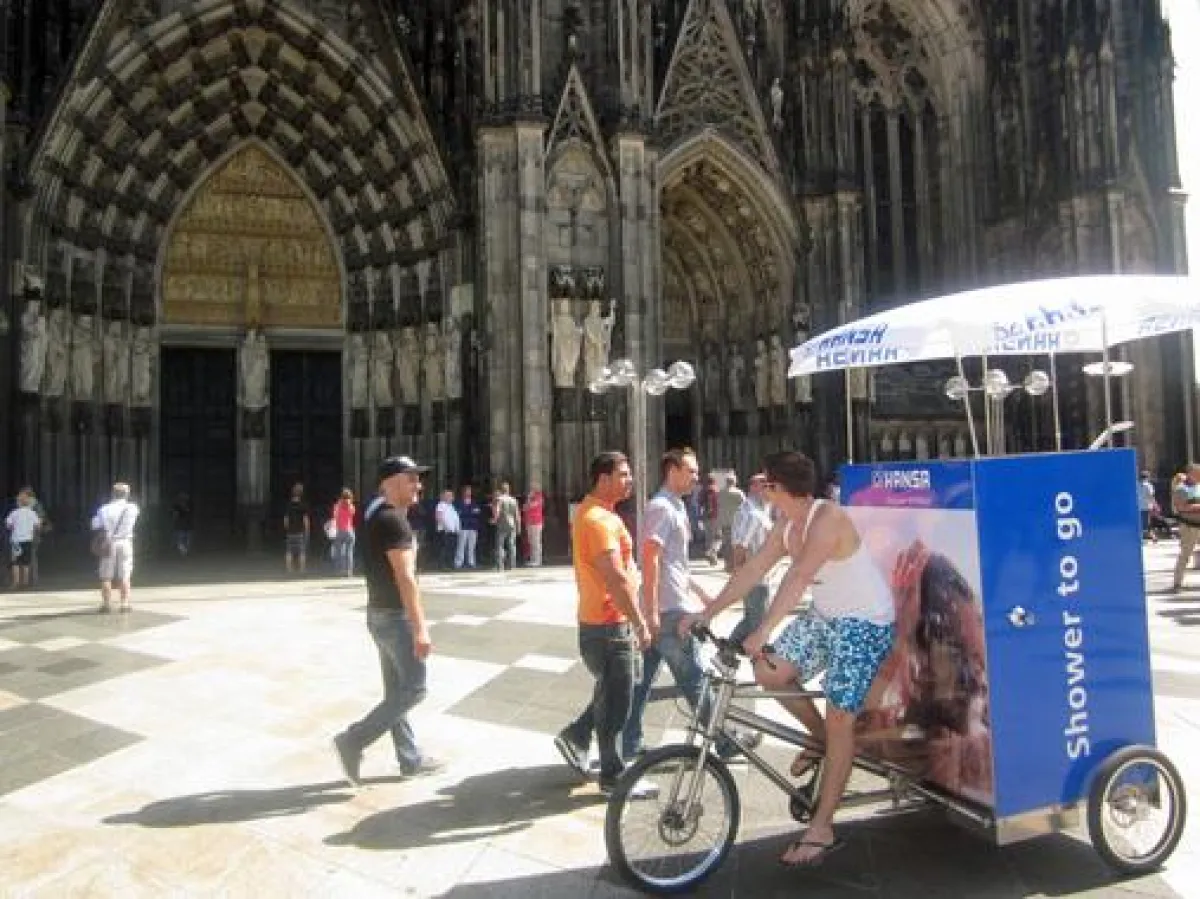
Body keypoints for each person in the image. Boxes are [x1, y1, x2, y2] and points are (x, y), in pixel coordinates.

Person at [688, 451, 895, 867]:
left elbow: (799, 577)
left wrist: (763, 630)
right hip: (826, 617)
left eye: (767, 483)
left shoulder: (827, 518)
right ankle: (820, 740)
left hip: (865, 623)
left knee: (841, 718)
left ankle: (822, 828)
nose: (763, 490)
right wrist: (707, 612)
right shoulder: (787, 524)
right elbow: (753, 571)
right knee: (769, 672)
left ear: (780, 487)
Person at [623, 449, 747, 762]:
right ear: (672, 471)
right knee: (694, 676)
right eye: (691, 471)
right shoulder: (661, 508)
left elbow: (674, 562)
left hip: (670, 603)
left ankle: (625, 742)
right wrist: (651, 611)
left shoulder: (676, 505)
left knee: (641, 681)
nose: (696, 477)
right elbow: (650, 559)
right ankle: (725, 740)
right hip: (668, 610)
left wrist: (699, 591)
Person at [333, 456, 442, 784]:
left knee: (396, 690)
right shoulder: (394, 521)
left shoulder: (376, 515)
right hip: (395, 617)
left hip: (379, 614)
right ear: (391, 483)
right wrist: (420, 627)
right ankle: (353, 740)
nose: (418, 484)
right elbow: (405, 577)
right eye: (412, 478)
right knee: (415, 688)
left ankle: (410, 758)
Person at [554, 451, 654, 796]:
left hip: (605, 623)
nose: (630, 480)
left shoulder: (600, 514)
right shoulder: (597, 520)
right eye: (623, 475)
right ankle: (613, 777)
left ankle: (577, 735)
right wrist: (640, 623)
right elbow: (615, 577)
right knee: (617, 704)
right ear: (603, 479)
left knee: (615, 689)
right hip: (609, 625)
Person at [728, 473, 774, 646]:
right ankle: (758, 657)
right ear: (754, 487)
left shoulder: (758, 510)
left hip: (758, 576)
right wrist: (738, 574)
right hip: (755, 578)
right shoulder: (753, 514)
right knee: (758, 625)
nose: (770, 490)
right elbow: (740, 546)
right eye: (765, 486)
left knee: (751, 620)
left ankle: (726, 653)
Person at [92, 483, 141, 613]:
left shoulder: (104, 509)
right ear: (127, 494)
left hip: (109, 543)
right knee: (125, 575)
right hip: (125, 542)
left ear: (113, 494)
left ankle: (107, 604)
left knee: (106, 576)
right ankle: (124, 604)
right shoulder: (133, 508)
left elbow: (95, 525)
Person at [1172, 464, 1200, 591]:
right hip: (1189, 527)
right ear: (1189, 474)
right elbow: (1181, 507)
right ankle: (1177, 583)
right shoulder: (1181, 489)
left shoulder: (1199, 486)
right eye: (1197, 473)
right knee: (1185, 554)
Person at [5, 490, 40, 589]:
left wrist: (16, 529)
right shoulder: (32, 513)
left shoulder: (14, 513)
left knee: (15, 562)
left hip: (16, 540)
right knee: (26, 562)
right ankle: (25, 582)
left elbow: (8, 525)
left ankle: (16, 582)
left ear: (18, 503)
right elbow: (37, 526)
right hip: (28, 540)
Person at [491, 482, 521, 571]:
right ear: (508, 490)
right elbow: (517, 515)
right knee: (512, 545)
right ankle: (512, 565)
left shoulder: (499, 499)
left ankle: (500, 566)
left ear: (501, 490)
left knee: (500, 545)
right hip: (512, 524)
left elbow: (497, 510)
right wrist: (519, 526)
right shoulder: (513, 500)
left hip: (502, 524)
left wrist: (494, 519)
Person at [283, 483, 311, 574]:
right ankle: (302, 569)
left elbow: (286, 519)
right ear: (301, 493)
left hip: (290, 531)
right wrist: (307, 530)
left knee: (289, 551)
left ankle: (289, 569)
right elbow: (305, 519)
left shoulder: (288, 505)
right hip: (300, 531)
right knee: (302, 551)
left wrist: (287, 528)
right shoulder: (303, 505)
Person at [454, 485, 482, 569]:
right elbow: (458, 513)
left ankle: (471, 562)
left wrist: (466, 512)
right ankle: (458, 563)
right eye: (466, 491)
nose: (468, 493)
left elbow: (478, 512)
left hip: (473, 527)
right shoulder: (458, 502)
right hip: (463, 526)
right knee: (461, 545)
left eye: (469, 491)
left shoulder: (474, 502)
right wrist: (470, 512)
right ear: (463, 492)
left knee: (472, 546)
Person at [331, 489, 357, 577]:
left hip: (340, 531)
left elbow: (335, 516)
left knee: (339, 552)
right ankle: (349, 571)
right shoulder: (351, 506)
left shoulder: (337, 506)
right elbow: (352, 514)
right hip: (350, 531)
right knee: (349, 552)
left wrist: (339, 503)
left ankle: (340, 571)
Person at [434, 489, 460, 570]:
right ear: (444, 496)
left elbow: (455, 518)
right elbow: (438, 517)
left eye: (451, 496)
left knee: (451, 548)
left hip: (452, 531)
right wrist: (445, 527)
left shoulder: (451, 506)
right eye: (448, 495)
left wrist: (457, 528)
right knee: (444, 548)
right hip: (444, 530)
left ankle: (450, 564)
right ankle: (442, 565)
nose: (451, 497)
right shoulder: (441, 505)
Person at [524, 484, 546, 566]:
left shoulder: (539, 497)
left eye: (532, 489)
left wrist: (529, 499)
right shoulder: (531, 498)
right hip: (529, 522)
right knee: (531, 542)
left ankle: (537, 560)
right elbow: (525, 508)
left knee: (536, 542)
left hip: (536, 522)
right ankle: (533, 559)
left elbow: (530, 506)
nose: (531, 490)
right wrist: (528, 500)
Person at [171, 493, 194, 557]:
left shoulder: (189, 506)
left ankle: (184, 552)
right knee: (181, 541)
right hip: (181, 527)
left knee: (185, 540)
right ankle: (183, 552)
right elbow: (175, 516)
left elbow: (189, 515)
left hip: (186, 526)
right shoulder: (177, 507)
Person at [1139, 471, 1158, 543]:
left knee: (1141, 523)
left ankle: (1149, 537)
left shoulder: (1136, 485)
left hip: (1138, 506)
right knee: (1147, 523)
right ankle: (1153, 537)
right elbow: (1151, 496)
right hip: (1147, 506)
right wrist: (1155, 505)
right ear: (1148, 477)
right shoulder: (1149, 485)